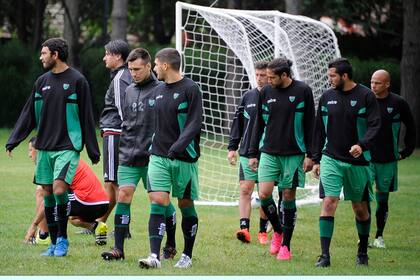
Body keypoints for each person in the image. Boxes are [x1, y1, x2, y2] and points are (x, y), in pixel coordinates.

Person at [6, 38, 100, 257]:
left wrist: (93, 149)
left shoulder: (78, 81)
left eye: (44, 53)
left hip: (68, 146)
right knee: (47, 192)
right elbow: (28, 113)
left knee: (59, 189)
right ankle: (53, 241)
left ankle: (63, 241)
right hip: (45, 147)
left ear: (56, 55)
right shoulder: (41, 82)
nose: (41, 57)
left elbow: (87, 116)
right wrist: (14, 139)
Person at [101, 48, 178, 261]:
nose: (133, 73)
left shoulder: (162, 89)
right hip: (128, 153)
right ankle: (118, 249)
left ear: (148, 66)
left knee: (161, 201)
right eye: (130, 69)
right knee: (123, 195)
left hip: (153, 156)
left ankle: (170, 243)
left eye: (137, 69)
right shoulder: (129, 91)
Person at [312, 58, 381, 267]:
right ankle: (324, 256)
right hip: (331, 159)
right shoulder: (326, 97)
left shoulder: (366, 96)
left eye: (333, 75)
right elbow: (318, 130)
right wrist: (315, 159)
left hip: (358, 163)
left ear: (345, 76)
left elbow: (375, 125)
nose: (329, 79)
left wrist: (362, 144)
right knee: (329, 202)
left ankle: (362, 252)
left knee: (360, 208)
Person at [138, 48, 202, 269]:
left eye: (156, 64)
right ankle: (154, 256)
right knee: (157, 201)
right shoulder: (157, 91)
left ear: (165, 65)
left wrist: (178, 147)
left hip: (185, 158)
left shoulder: (191, 89)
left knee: (185, 205)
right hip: (158, 156)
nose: (154, 69)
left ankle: (187, 255)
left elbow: (194, 124)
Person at [248, 58, 315, 261]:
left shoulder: (303, 90)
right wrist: (252, 152)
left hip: (294, 154)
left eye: (271, 77)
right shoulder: (266, 92)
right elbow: (257, 123)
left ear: (284, 76)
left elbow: (311, 123)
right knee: (264, 193)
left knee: (288, 195)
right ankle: (277, 231)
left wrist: (311, 155)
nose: (267, 81)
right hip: (268, 152)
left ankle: (286, 245)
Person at [24, 137, 110, 246]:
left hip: (86, 201)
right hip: (102, 204)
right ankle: (96, 226)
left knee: (42, 192)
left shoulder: (55, 161)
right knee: (73, 218)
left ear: (40, 150)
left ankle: (43, 235)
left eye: (31, 150)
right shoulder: (64, 155)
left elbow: (50, 198)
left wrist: (34, 224)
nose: (29, 155)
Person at [369, 69, 416, 248]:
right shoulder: (366, 100)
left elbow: (411, 127)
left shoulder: (398, 103)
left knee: (382, 200)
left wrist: (406, 151)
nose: (373, 85)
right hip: (366, 159)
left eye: (378, 83)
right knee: (362, 198)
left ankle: (379, 236)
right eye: (372, 82)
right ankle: (364, 235)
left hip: (387, 160)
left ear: (387, 84)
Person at [227, 61, 271, 245]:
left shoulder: (275, 97)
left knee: (264, 194)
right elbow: (238, 123)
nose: (259, 79)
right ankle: (244, 229)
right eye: (257, 75)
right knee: (245, 189)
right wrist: (232, 148)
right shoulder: (248, 96)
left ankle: (263, 230)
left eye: (263, 76)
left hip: (268, 152)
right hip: (246, 151)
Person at [99, 40, 132, 232]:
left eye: (107, 53)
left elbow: (122, 110)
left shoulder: (120, 78)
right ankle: (100, 221)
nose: (104, 57)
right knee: (112, 182)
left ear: (118, 56)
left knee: (115, 182)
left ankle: (123, 227)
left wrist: (128, 133)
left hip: (115, 132)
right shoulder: (124, 75)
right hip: (115, 132)